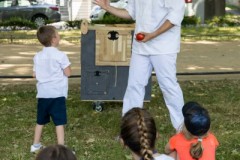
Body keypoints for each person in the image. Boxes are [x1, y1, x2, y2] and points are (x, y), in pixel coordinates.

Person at [93, 0, 185, 130]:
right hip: (140, 47)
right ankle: (129, 130)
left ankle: (182, 130)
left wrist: (153, 34)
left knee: (169, 87)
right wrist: (107, 7)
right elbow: (131, 13)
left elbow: (175, 17)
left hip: (164, 47)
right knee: (134, 86)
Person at [30, 25, 71, 153]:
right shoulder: (61, 55)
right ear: (54, 39)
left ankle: (35, 145)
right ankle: (61, 147)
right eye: (58, 35)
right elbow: (68, 73)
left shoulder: (37, 56)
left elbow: (34, 74)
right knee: (59, 122)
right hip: (57, 94)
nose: (59, 37)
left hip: (43, 95)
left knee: (40, 121)